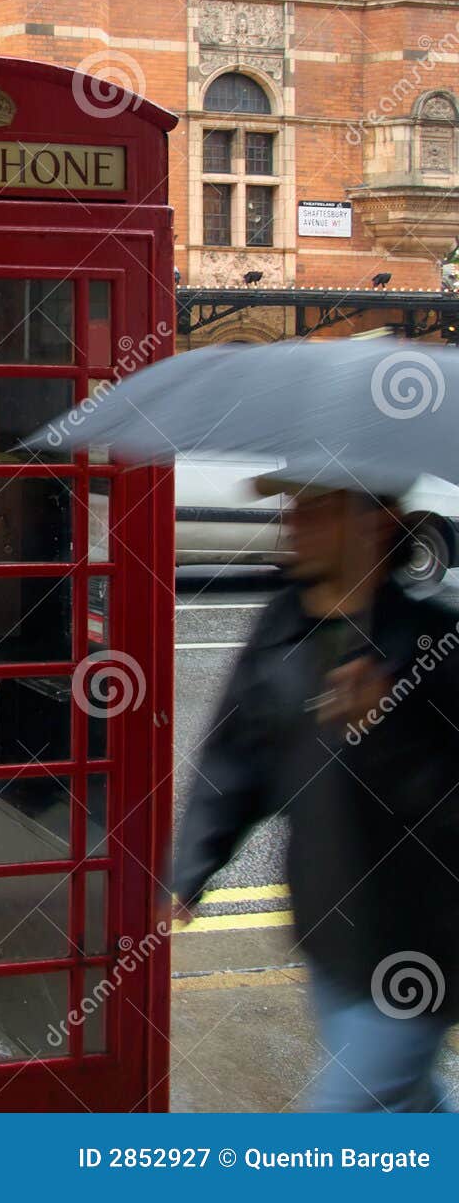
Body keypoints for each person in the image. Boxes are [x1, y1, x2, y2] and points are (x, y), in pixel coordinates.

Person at [173, 472, 459, 1112]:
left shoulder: (433, 645)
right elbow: (235, 757)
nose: (294, 522)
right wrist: (192, 867)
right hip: (330, 928)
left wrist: (388, 733)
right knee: (408, 1107)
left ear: (376, 521)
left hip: (420, 944)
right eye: (293, 506)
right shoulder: (283, 627)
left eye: (318, 508)